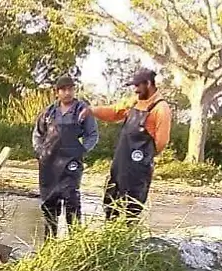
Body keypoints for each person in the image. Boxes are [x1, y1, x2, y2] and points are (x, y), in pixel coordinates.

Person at [92, 68, 172, 221]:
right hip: (121, 162)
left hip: (139, 167)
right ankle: (111, 234)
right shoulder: (133, 102)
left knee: (132, 206)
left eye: (137, 86)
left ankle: (128, 237)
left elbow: (161, 142)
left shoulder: (161, 109)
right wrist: (92, 111)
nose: (135, 90)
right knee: (111, 199)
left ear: (148, 84)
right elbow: (114, 112)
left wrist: (144, 156)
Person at [32, 74, 99, 239]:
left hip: (71, 163)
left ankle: (75, 243)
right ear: (57, 92)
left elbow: (92, 134)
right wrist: (40, 152)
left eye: (70, 89)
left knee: (71, 201)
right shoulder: (49, 112)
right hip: (49, 164)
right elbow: (37, 133)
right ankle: (49, 245)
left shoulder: (82, 110)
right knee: (49, 203)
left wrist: (82, 150)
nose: (67, 93)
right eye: (64, 89)